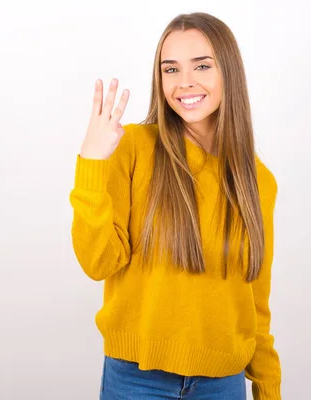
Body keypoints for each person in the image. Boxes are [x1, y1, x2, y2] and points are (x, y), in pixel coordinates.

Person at [69, 12, 281, 400]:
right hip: (136, 381)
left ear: (228, 72)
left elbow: (255, 303)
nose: (185, 82)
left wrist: (268, 388)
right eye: (171, 69)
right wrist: (92, 164)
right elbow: (97, 262)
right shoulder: (133, 148)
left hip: (223, 384)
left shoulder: (257, 180)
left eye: (202, 65)